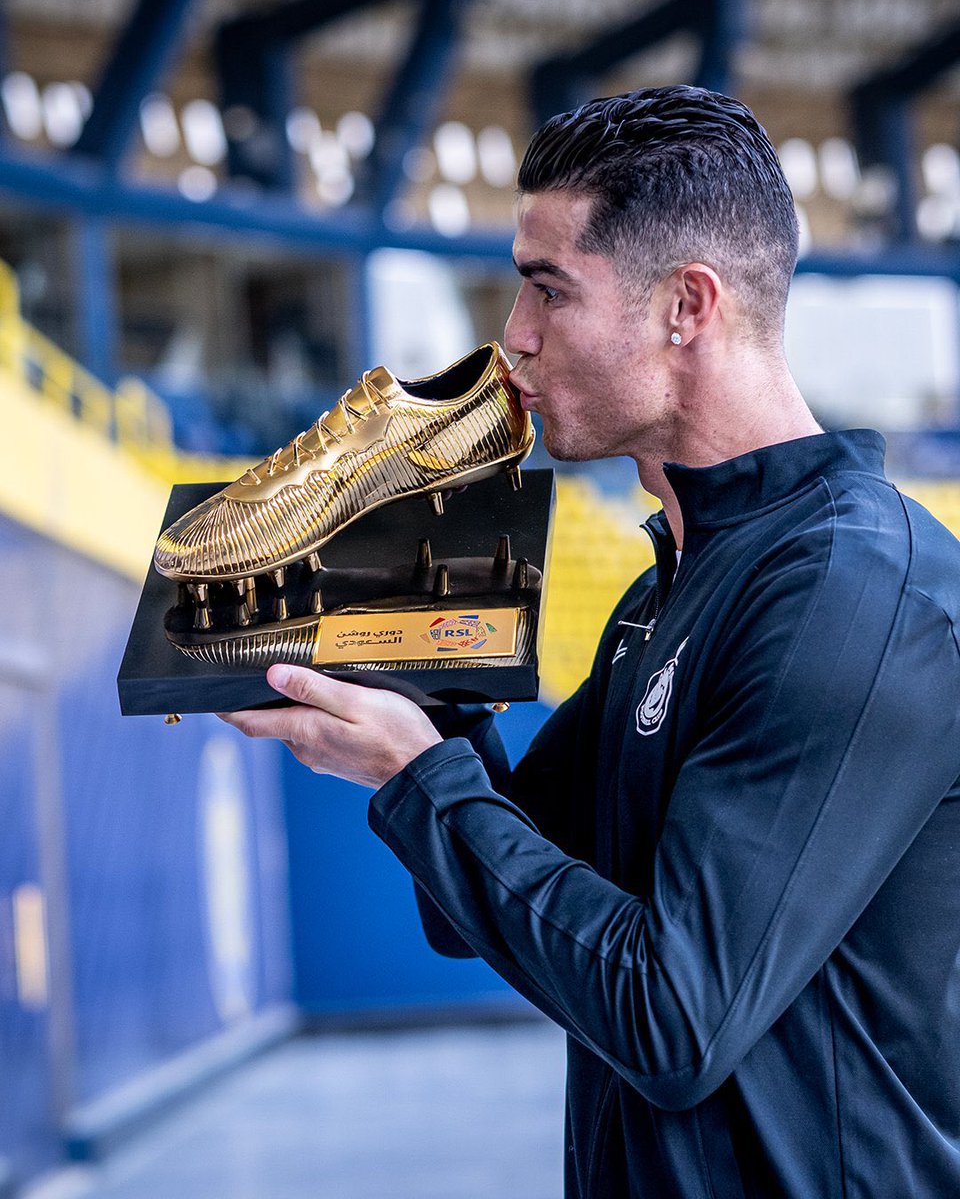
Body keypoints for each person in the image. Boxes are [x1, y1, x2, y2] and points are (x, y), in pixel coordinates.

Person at [220, 86, 960, 1197]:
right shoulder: (672, 591)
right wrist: (420, 692)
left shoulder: (851, 591)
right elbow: (475, 910)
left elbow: (671, 1022)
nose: (512, 336)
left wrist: (419, 772)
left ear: (687, 307)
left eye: (547, 290)